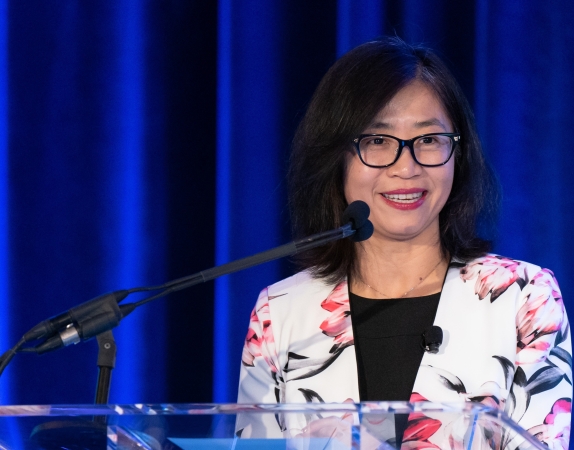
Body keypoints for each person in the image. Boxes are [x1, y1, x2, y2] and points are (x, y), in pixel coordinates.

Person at [236, 37, 572, 449]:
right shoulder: (281, 313)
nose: (406, 167)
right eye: (377, 141)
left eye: (429, 140)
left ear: (458, 154)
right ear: (336, 157)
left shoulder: (523, 298)